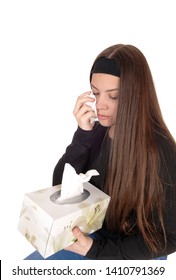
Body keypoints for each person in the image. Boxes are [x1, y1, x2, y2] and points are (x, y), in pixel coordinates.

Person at [25, 44, 176, 260]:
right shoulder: (97, 131)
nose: (100, 106)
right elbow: (61, 188)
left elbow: (169, 238)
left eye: (113, 96)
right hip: (95, 237)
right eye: (95, 93)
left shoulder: (163, 153)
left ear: (135, 96)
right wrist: (82, 136)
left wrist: (95, 251)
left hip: (138, 252)